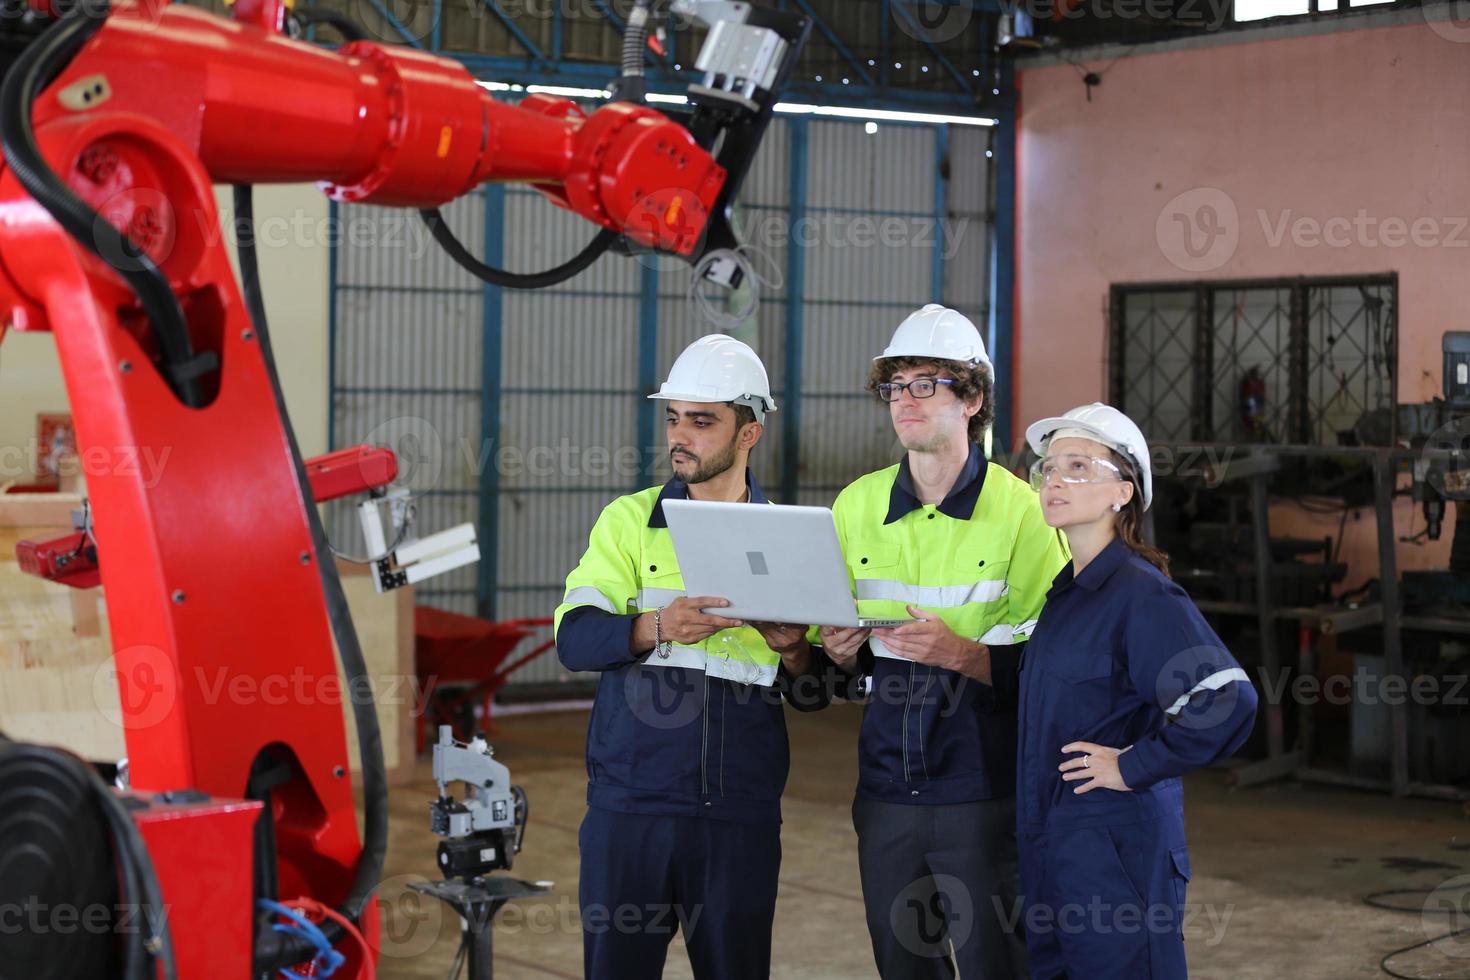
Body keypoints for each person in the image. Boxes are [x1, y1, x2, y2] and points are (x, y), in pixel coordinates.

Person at [553, 334, 819, 980]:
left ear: (749, 431)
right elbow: (575, 638)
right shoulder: (628, 523)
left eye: (702, 421)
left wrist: (796, 652)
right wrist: (654, 626)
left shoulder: (793, 538)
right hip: (630, 812)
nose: (681, 435)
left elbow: (816, 695)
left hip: (738, 818)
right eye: (674, 417)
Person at [814, 304, 1067, 979]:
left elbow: (1062, 665)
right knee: (903, 965)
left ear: (973, 397)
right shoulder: (854, 508)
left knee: (996, 963)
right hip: (887, 787)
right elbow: (820, 668)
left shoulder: (1024, 513)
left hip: (983, 787)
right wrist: (836, 652)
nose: (906, 402)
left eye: (928, 384)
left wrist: (965, 653)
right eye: (896, 387)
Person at [1016, 403, 1258, 980]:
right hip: (1053, 845)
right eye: (1048, 468)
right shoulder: (1067, 594)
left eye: (1077, 466)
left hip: (1115, 854)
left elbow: (1226, 699)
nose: (1054, 480)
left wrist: (1135, 765)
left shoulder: (1139, 594)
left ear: (1122, 492)